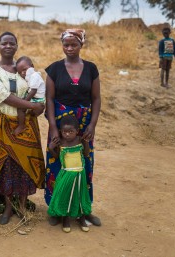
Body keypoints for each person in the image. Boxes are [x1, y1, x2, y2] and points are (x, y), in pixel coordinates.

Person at [0, 32, 46, 225]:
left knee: (24, 166)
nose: (8, 46)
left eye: (12, 43)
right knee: (6, 166)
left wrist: (39, 105)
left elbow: (36, 88)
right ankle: (8, 207)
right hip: (4, 124)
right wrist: (32, 106)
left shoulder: (24, 68)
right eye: (4, 43)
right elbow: (3, 96)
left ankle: (21, 205)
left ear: (17, 46)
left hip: (26, 124)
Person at [45, 29, 102, 228]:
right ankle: (56, 209)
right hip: (60, 125)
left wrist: (92, 125)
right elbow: (49, 99)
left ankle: (83, 210)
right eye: (66, 44)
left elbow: (96, 98)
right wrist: (53, 127)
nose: (69, 48)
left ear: (81, 45)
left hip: (83, 124)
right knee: (56, 165)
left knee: (84, 164)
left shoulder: (91, 69)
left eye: (73, 44)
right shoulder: (53, 69)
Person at [46, 114, 92, 233]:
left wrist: (86, 143)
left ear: (77, 131)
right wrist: (51, 148)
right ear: (60, 131)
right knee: (65, 196)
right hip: (66, 175)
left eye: (70, 131)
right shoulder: (60, 143)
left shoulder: (80, 140)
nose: (67, 134)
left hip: (80, 175)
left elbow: (86, 154)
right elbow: (57, 157)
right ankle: (65, 219)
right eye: (64, 132)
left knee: (80, 196)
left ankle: (81, 219)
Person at [14, 56, 46, 135]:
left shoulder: (34, 76)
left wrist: (24, 102)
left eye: (25, 69)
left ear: (32, 66)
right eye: (20, 72)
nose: (23, 73)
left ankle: (21, 126)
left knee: (20, 109)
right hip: (36, 98)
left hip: (37, 99)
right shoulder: (30, 76)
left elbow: (33, 91)